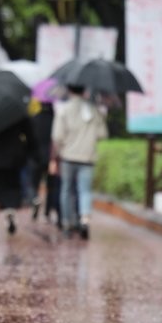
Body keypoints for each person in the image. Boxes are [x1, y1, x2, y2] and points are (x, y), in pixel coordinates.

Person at [51, 84, 107, 240]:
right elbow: (102, 134)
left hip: (68, 156)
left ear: (69, 90)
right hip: (87, 157)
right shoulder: (93, 110)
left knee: (66, 189)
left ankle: (67, 223)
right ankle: (84, 220)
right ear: (85, 91)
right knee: (85, 190)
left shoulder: (63, 109)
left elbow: (57, 136)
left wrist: (58, 152)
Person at [0, 116, 36, 240]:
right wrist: (28, 150)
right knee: (10, 187)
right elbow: (29, 134)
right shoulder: (16, 112)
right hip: (12, 156)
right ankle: (10, 210)